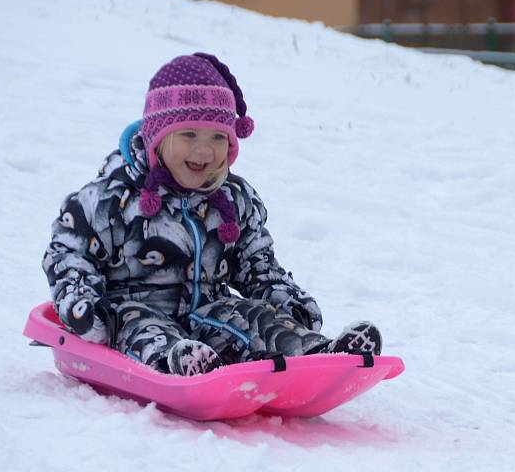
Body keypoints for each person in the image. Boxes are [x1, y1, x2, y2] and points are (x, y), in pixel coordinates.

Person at [42, 53, 382, 376]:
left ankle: (320, 355)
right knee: (145, 328)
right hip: (132, 310)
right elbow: (69, 253)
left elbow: (255, 262)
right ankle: (180, 364)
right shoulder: (111, 199)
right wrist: (82, 303)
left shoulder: (233, 199)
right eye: (189, 134)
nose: (204, 150)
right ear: (159, 136)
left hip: (208, 311)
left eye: (218, 137)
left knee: (251, 317)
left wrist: (283, 300)